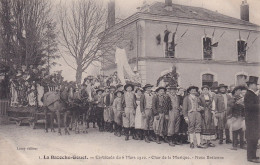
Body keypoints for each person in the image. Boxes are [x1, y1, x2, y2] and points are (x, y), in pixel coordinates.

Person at [244, 76, 260, 163]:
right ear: (251, 85)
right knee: (251, 138)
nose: (257, 86)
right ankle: (250, 157)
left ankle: (253, 155)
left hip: (254, 120)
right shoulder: (249, 94)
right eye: (255, 84)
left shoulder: (253, 94)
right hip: (251, 120)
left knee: (254, 138)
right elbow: (250, 107)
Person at [229, 85, 247, 150]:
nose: (240, 91)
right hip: (235, 117)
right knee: (235, 131)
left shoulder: (242, 98)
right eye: (239, 90)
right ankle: (234, 145)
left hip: (241, 116)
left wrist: (244, 116)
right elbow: (230, 106)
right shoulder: (232, 98)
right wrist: (236, 103)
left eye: (240, 90)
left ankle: (242, 145)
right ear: (236, 91)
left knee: (241, 131)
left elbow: (244, 107)